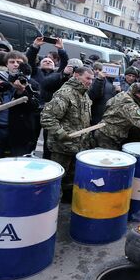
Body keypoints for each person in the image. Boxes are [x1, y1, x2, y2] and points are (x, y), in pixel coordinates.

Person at [40, 67, 94, 202]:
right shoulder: (65, 93)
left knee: (70, 180)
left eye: (92, 79)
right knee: (56, 180)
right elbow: (47, 117)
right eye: (87, 78)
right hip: (62, 147)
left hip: (78, 147)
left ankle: (65, 207)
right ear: (76, 75)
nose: (90, 82)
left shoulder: (84, 95)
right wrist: (61, 134)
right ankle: (50, 208)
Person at [0, 52, 41, 160]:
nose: (15, 64)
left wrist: (22, 91)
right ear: (6, 64)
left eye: (19, 62)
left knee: (15, 164)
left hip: (19, 131)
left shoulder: (32, 84)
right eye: (12, 62)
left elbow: (34, 106)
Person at [92, 83, 140, 150]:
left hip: (104, 132)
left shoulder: (121, 95)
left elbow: (107, 105)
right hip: (108, 136)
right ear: (134, 93)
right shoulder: (129, 105)